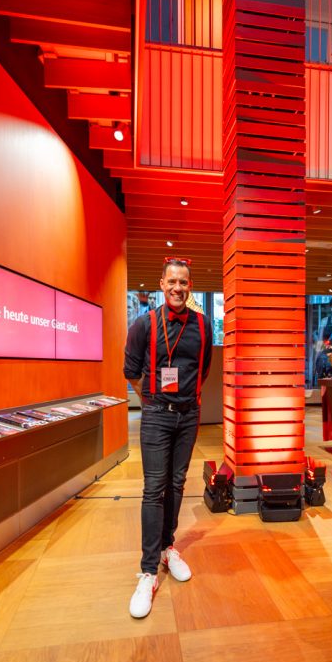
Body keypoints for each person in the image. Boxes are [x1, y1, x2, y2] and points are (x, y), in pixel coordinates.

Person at [124, 257, 212, 618]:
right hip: (157, 415)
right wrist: (154, 401)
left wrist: (183, 399)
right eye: (172, 282)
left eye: (184, 283)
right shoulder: (144, 324)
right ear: (162, 284)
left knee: (177, 484)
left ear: (190, 286)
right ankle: (148, 571)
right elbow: (131, 370)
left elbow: (203, 370)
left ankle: (167, 547)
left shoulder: (203, 325)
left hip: (189, 415)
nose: (178, 288)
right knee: (154, 488)